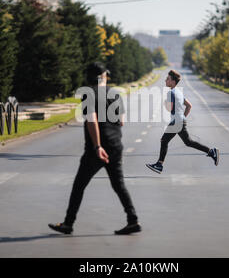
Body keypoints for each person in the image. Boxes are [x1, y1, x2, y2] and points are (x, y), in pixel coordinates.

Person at [49, 62, 141, 235]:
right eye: (106, 75)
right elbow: (121, 121)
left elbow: (92, 121)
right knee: (119, 185)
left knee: (79, 186)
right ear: (102, 76)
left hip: (97, 149)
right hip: (115, 145)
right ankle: (133, 220)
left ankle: (68, 223)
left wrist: (97, 146)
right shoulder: (115, 94)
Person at [146, 70, 219, 174]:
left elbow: (169, 108)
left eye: (168, 79)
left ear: (173, 82)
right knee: (188, 142)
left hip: (176, 122)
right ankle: (211, 151)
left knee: (164, 141)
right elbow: (189, 106)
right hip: (180, 121)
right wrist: (183, 118)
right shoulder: (178, 92)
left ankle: (159, 164)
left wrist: (165, 103)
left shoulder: (171, 92)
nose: (165, 80)